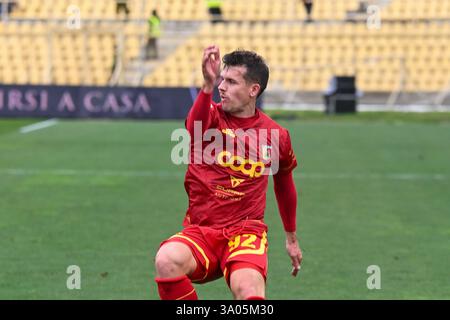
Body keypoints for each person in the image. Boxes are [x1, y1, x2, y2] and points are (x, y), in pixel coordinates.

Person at [154, 45, 303, 300]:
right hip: (201, 231)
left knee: (248, 290)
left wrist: (291, 238)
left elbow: (284, 184)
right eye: (221, 79)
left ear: (253, 90)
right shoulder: (210, 117)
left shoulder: (276, 136)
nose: (222, 86)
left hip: (246, 233)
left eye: (231, 82)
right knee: (166, 260)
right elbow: (193, 127)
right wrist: (206, 86)